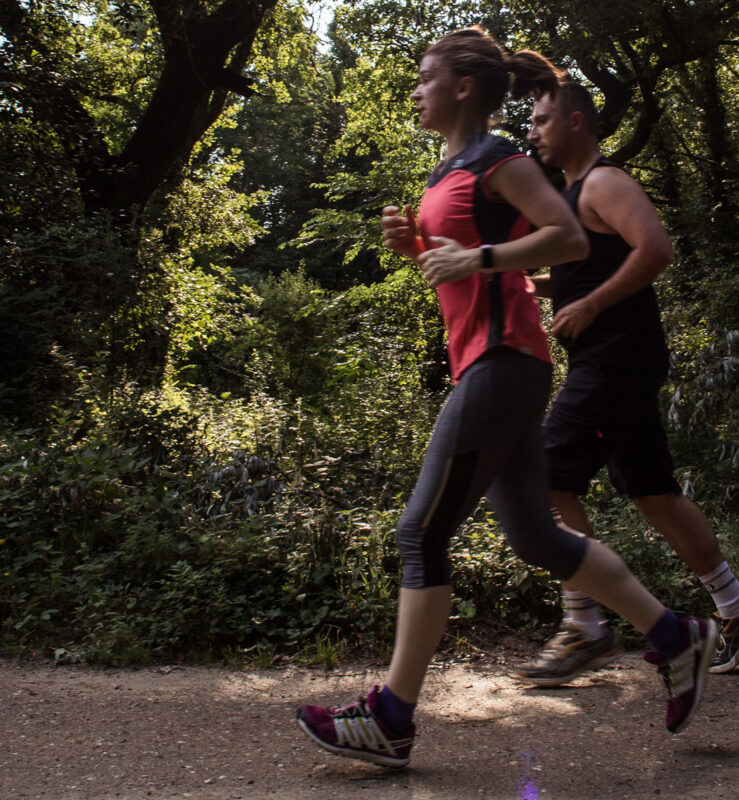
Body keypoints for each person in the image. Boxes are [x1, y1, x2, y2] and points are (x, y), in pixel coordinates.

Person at [295, 28, 716, 770]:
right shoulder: (447, 170)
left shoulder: (502, 160)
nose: (416, 89)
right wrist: (416, 249)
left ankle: (390, 715)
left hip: (504, 360)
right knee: (537, 538)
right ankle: (675, 635)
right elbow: (460, 263)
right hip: (486, 364)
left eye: (426, 77)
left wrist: (480, 255)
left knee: (419, 534)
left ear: (463, 87)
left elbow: (569, 240)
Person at [516, 82, 739, 688]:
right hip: (612, 362)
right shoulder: (575, 195)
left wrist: (592, 306)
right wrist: (536, 287)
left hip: (617, 360)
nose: (532, 132)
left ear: (576, 122)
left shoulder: (605, 182)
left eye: (541, 121)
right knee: (652, 490)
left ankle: (583, 622)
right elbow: (590, 271)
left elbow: (655, 249)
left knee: (546, 472)